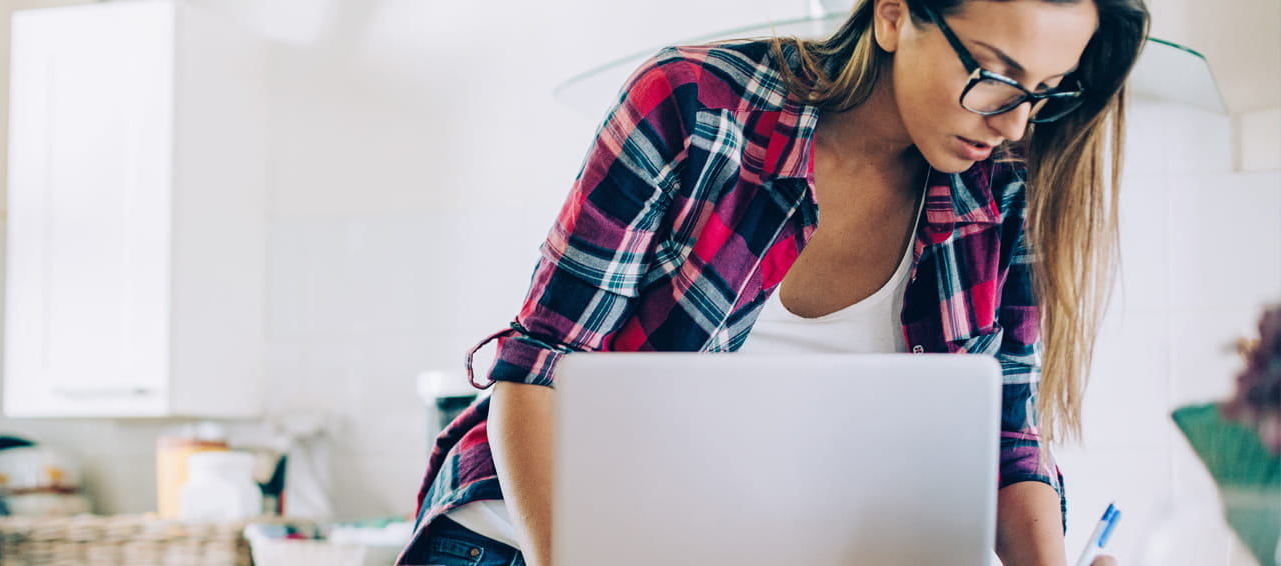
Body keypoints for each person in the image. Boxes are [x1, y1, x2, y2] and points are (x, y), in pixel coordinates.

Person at [398, 0, 1149, 564]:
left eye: (1046, 90)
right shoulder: (692, 106)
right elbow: (535, 373)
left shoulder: (1004, 191)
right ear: (893, 15)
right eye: (993, 75)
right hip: (518, 543)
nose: (1013, 124)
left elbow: (1006, 442)